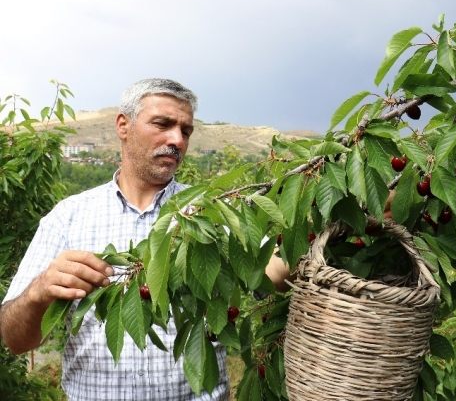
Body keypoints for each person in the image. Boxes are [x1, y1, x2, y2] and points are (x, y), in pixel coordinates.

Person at [0, 78, 289, 400]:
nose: (177, 140)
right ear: (123, 126)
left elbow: (268, 272)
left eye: (186, 131)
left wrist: (301, 245)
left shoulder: (215, 210)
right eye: (162, 124)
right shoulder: (67, 217)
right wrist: (38, 292)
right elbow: (15, 339)